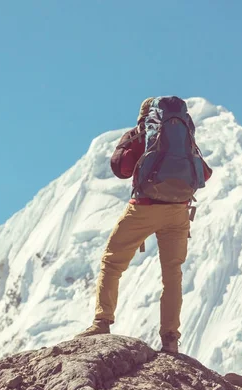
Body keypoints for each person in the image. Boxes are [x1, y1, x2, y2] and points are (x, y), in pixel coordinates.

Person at [75, 96, 212, 353]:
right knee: (172, 275)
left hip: (144, 208)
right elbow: (204, 174)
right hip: (179, 211)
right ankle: (170, 339)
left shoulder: (143, 133)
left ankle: (102, 321)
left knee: (112, 262)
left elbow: (121, 168)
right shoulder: (184, 136)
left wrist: (133, 139)